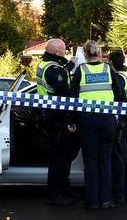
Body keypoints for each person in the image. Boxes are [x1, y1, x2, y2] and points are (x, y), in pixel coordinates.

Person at [69, 41, 127, 210]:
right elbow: (120, 94)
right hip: (107, 121)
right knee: (105, 160)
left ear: (85, 55)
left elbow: (72, 98)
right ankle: (106, 200)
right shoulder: (108, 70)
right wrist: (123, 116)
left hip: (87, 122)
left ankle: (93, 201)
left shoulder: (80, 70)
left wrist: (71, 121)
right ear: (100, 54)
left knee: (91, 160)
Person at [37, 38, 79, 206]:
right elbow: (65, 96)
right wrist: (70, 120)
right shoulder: (55, 69)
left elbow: (58, 77)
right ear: (56, 52)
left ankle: (64, 189)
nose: (65, 52)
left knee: (64, 155)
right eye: (63, 50)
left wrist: (68, 65)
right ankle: (55, 194)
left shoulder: (46, 64)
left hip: (49, 114)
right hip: (57, 117)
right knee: (58, 157)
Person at [108, 51, 127, 204]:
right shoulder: (124, 77)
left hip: (119, 122)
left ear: (111, 62)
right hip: (125, 121)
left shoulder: (116, 78)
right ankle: (126, 192)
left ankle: (119, 194)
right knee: (124, 157)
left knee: (118, 158)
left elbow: (118, 99)